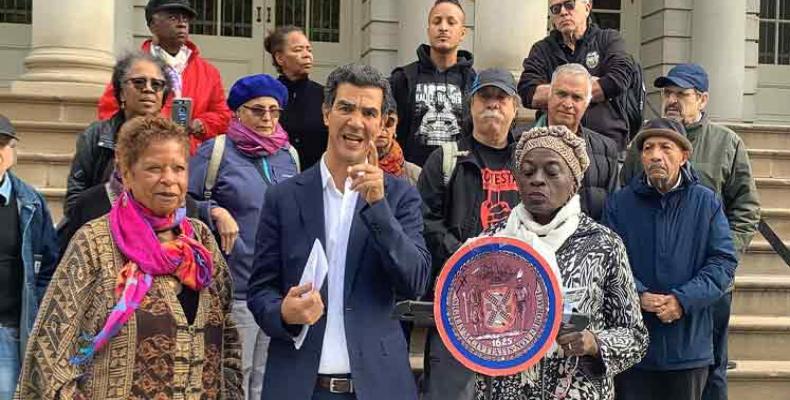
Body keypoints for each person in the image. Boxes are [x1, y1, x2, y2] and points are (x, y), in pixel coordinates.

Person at [15, 116, 242, 399]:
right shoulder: (96, 242)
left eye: (179, 168)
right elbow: (50, 355)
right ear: (126, 173)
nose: (169, 179)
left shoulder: (200, 243)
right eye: (154, 168)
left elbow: (227, 343)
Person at [247, 64, 431, 400]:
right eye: (346, 107)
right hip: (300, 386)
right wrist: (283, 314)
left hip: (377, 386)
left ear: (381, 124)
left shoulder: (400, 196)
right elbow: (260, 291)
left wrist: (379, 209)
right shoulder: (283, 197)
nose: (356, 121)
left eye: (369, 112)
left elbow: (415, 281)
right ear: (326, 113)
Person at [475, 125, 647, 400]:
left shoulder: (602, 244)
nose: (538, 180)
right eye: (528, 172)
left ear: (574, 181)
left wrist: (594, 343)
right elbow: (466, 319)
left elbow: (635, 336)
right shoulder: (491, 244)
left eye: (552, 172)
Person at [620, 64, 760, 400]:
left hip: (710, 283)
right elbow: (627, 200)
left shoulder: (727, 143)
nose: (671, 100)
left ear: (702, 99)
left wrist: (722, 254)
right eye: (667, 93)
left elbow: (747, 207)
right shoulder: (644, 144)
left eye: (681, 94)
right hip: (654, 284)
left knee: (711, 369)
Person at [605, 118, 738, 400]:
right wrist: (637, 294)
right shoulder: (620, 203)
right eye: (648, 148)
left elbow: (723, 261)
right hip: (633, 346)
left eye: (666, 147)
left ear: (684, 156)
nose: (655, 155)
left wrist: (683, 300)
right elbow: (608, 262)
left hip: (687, 348)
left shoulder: (706, 202)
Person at [61, 52, 237, 259]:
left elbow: (179, 194)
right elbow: (75, 201)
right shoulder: (98, 135)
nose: (148, 89)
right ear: (121, 92)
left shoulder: (175, 139)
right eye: (138, 82)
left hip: (163, 243)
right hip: (105, 242)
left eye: (157, 85)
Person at [189, 73, 299, 400]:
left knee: (267, 377)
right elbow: (182, 200)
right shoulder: (217, 152)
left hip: (277, 289)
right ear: (238, 112)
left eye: (274, 111)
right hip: (236, 285)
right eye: (257, 110)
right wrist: (215, 212)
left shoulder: (288, 156)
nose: (267, 118)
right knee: (235, 374)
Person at [418, 68, 522, 400]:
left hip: (518, 307)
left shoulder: (529, 162)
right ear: (470, 106)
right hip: (457, 304)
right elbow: (424, 220)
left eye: (501, 98)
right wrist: (466, 259)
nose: (493, 105)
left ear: (515, 108)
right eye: (484, 98)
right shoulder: (446, 159)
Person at [97, 0, 231, 154]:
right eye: (173, 18)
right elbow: (108, 111)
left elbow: (223, 115)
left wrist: (201, 124)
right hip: (142, 154)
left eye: (185, 19)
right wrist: (151, 126)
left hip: (191, 159)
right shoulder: (132, 68)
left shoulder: (208, 72)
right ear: (152, 24)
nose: (182, 24)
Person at [518, 0, 634, 150]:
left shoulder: (608, 40)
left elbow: (618, 80)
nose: (563, 12)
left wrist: (554, 91)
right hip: (554, 145)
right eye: (556, 8)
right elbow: (528, 94)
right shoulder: (542, 50)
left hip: (605, 144)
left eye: (569, 4)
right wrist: (593, 88)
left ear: (587, 7)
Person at [0, 115, 58, 400]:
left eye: (3, 144)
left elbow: (49, 266)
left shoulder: (31, 202)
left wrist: (36, 313)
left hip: (8, 332)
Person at [390, 0, 476, 166]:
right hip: (412, 179)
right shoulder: (403, 78)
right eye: (437, 21)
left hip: (460, 178)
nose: (443, 27)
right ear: (429, 30)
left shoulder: (475, 83)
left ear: (462, 33)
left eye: (451, 22)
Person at [532, 63, 618, 221]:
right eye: (561, 94)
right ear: (549, 95)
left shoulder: (606, 150)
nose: (568, 104)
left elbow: (613, 214)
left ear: (587, 102)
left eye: (577, 97)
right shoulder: (520, 146)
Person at [265, 25, 328, 169]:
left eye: (309, 49)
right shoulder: (267, 96)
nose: (307, 55)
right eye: (298, 50)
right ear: (280, 58)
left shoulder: (326, 96)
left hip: (314, 180)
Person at [376, 88, 421, 185]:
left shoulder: (415, 175)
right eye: (377, 122)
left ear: (396, 126)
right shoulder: (346, 169)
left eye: (389, 121)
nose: (382, 128)